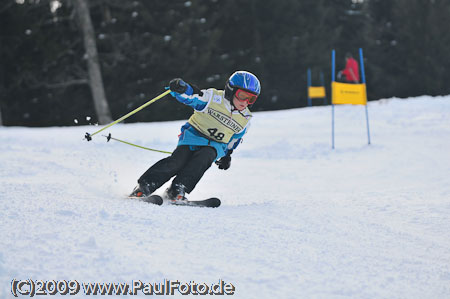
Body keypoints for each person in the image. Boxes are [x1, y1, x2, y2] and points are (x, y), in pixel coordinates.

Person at [130, 71, 261, 201]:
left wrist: (227, 155)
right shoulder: (213, 98)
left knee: (203, 160)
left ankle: (177, 189)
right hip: (193, 136)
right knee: (177, 161)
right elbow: (193, 96)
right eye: (242, 95)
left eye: (251, 99)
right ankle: (145, 185)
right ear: (231, 90)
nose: (245, 102)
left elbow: (234, 139)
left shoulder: (245, 119)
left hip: (215, 145)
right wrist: (182, 89)